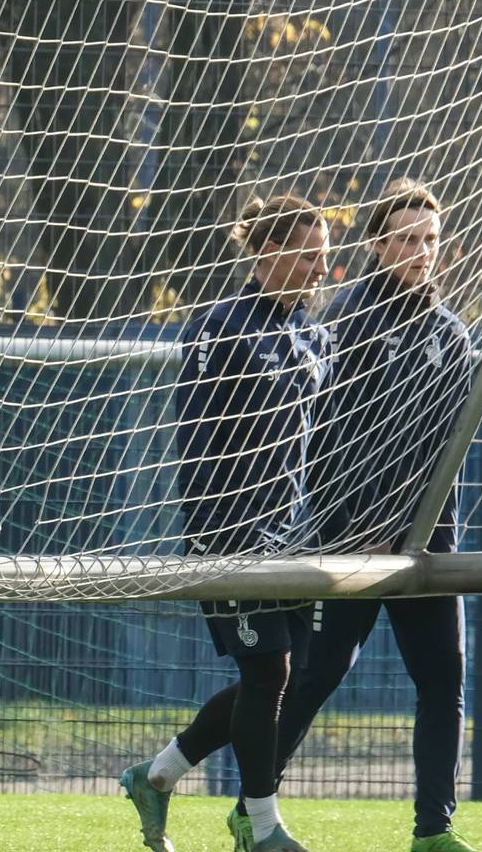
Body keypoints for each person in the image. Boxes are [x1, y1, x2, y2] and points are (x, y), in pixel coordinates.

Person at [267, 179, 482, 852]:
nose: (420, 251)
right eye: (405, 239)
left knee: (444, 682)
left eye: (430, 240)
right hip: (351, 541)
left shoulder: (450, 334)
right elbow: (324, 442)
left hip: (426, 546)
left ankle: (434, 831)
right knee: (316, 676)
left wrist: (435, 532)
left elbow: (446, 447)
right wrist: (351, 524)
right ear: (377, 244)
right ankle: (254, 804)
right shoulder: (347, 323)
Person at [121, 194, 334, 852]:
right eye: (309, 255)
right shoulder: (219, 327)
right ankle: (261, 827)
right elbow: (195, 438)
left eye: (325, 256)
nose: (321, 269)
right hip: (232, 539)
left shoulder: (314, 335)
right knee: (267, 674)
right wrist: (214, 538)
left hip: (292, 538)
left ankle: (157, 775)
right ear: (268, 252)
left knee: (273, 678)